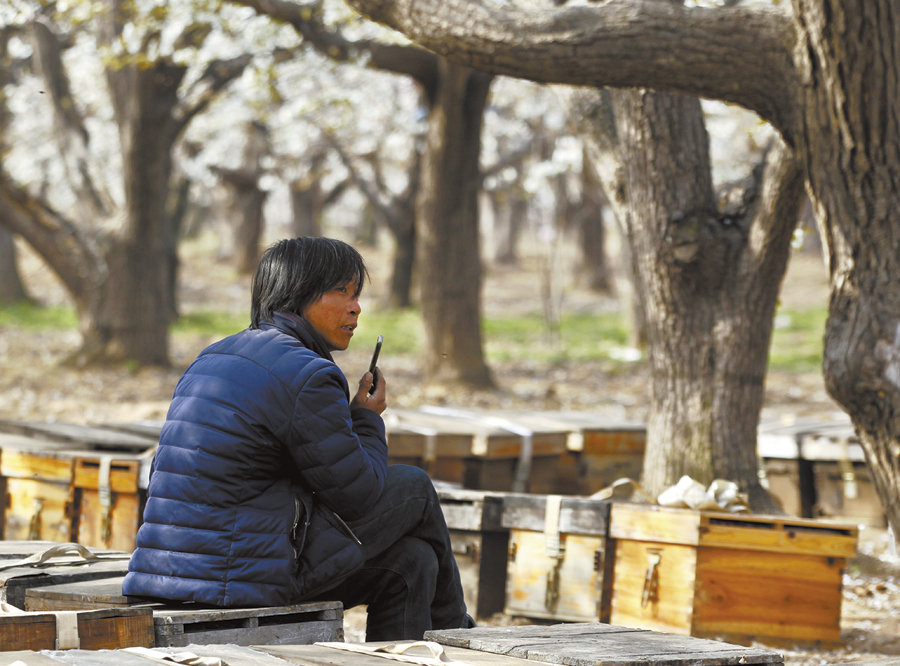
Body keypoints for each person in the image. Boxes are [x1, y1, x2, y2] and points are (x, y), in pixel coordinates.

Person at [123, 237, 472, 640]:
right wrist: (367, 420)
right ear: (297, 294)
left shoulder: (215, 355)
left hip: (171, 573)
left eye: (356, 293)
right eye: (341, 291)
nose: (355, 306)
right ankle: (460, 634)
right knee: (415, 488)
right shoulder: (308, 375)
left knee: (413, 561)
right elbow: (358, 496)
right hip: (242, 577)